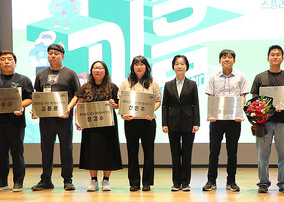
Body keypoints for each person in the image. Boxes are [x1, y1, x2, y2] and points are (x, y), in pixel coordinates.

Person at [0, 51, 34, 192]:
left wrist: (20, 105)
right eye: (3, 59)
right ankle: (2, 181)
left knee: (17, 152)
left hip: (16, 122)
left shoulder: (24, 79)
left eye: (9, 59)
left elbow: (30, 98)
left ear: (15, 62)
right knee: (0, 152)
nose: (6, 61)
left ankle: (18, 181)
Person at [250, 45, 284, 194]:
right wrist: (266, 107)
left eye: (278, 54)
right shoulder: (260, 77)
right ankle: (263, 183)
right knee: (262, 154)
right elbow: (254, 98)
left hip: (283, 121)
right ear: (268, 58)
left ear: (282, 58)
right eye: (272, 54)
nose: (275, 57)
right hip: (263, 122)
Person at [31, 43, 81, 191]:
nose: (53, 56)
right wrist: (35, 110)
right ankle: (46, 180)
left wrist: (68, 107)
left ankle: (67, 180)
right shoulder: (41, 74)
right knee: (46, 149)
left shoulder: (70, 73)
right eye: (50, 53)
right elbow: (37, 94)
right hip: (46, 118)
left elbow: (77, 94)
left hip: (63, 118)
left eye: (56, 53)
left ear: (62, 56)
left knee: (66, 149)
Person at [68, 60, 122, 192]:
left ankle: (106, 180)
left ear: (105, 71)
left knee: (108, 151)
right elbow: (79, 103)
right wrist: (77, 119)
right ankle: (93, 180)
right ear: (91, 71)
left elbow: (119, 105)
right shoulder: (86, 87)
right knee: (91, 151)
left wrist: (114, 104)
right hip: (90, 124)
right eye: (95, 68)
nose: (97, 70)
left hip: (108, 125)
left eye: (100, 68)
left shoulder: (112, 87)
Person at [203, 49, 248, 192]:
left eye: (229, 57)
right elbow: (211, 97)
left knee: (232, 152)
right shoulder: (213, 77)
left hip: (234, 120)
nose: (227, 59)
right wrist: (211, 114)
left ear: (234, 61)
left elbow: (242, 97)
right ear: (219, 61)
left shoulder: (240, 77)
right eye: (224, 57)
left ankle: (231, 181)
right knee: (214, 151)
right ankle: (211, 181)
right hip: (216, 120)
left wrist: (240, 113)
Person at [120, 55, 161, 192]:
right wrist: (123, 115)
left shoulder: (153, 83)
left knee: (149, 152)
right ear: (132, 67)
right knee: (132, 153)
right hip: (131, 122)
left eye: (141, 64)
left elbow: (158, 100)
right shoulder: (126, 83)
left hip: (148, 122)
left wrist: (151, 110)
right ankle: (134, 182)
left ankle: (147, 182)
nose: (139, 67)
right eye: (136, 64)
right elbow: (121, 100)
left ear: (146, 67)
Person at [161, 55, 200, 191]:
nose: (179, 66)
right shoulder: (168, 85)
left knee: (187, 153)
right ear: (173, 67)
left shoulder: (192, 84)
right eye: (177, 64)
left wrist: (196, 123)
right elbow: (165, 106)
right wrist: (164, 124)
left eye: (182, 64)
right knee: (175, 153)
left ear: (186, 66)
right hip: (172, 122)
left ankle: (186, 182)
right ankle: (176, 182)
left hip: (189, 123)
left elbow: (196, 105)